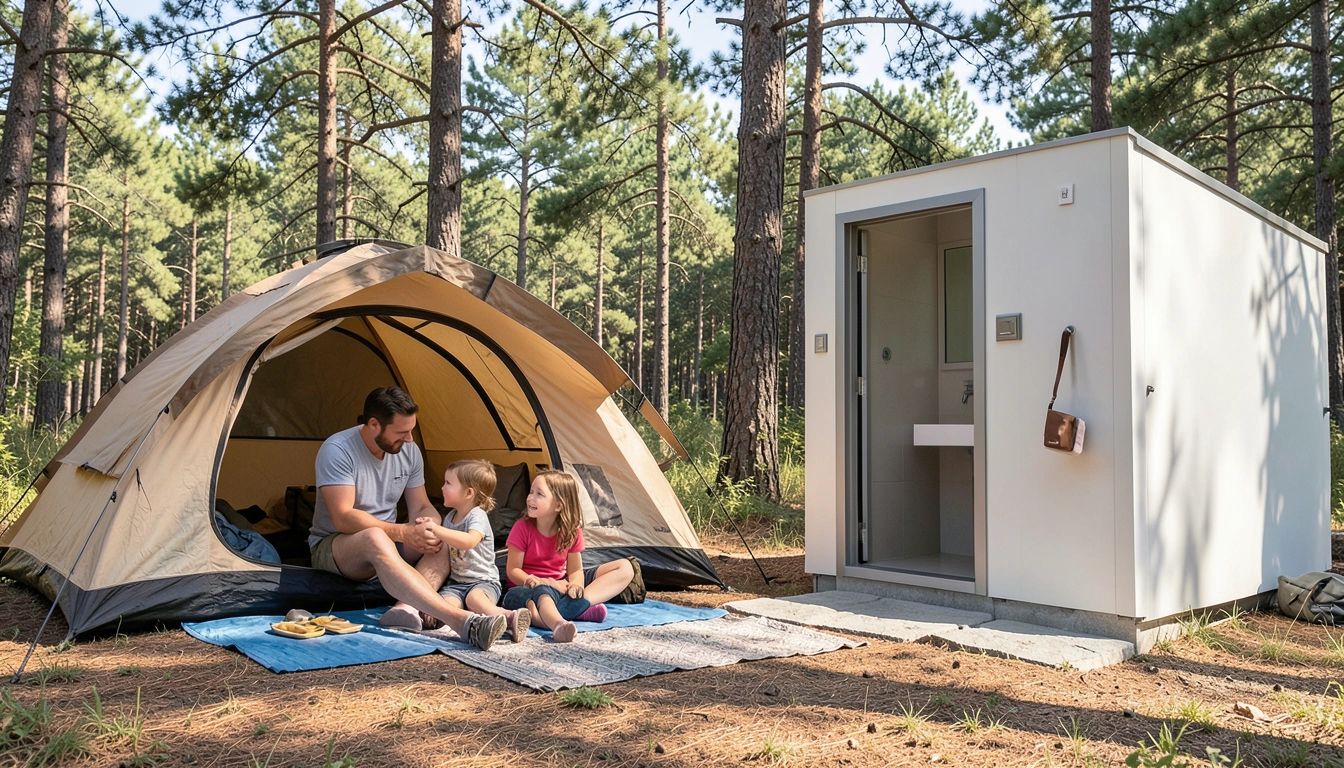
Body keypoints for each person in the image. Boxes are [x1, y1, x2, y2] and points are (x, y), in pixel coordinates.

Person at [308, 386, 506, 650]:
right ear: (374, 425)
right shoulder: (338, 450)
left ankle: (404, 609)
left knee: (442, 536)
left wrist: (429, 526)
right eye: (402, 432)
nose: (410, 439)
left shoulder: (408, 451)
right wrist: (402, 532)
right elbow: (343, 517)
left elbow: (422, 505)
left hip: (390, 539)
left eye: (411, 430)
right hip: (337, 546)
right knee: (375, 537)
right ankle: (460, 621)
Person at [502, 470, 634, 642]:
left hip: (560, 586)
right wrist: (531, 581)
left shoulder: (571, 532)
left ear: (558, 505)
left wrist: (576, 586)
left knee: (625, 567)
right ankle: (559, 623)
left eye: (539, 494)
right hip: (527, 588)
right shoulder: (522, 528)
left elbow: (576, 570)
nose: (530, 498)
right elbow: (513, 570)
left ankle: (580, 602)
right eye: (531, 492)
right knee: (539, 599)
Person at [418, 460, 530, 642]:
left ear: (469, 493)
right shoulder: (450, 518)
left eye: (448, 483)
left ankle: (509, 618)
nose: (442, 488)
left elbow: (469, 541)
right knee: (444, 605)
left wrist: (437, 529)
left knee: (474, 600)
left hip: (483, 583)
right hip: (456, 584)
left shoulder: (477, 516)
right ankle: (475, 623)